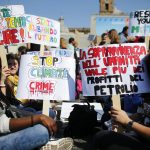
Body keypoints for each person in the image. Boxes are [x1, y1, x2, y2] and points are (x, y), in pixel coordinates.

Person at [0, 57, 73, 150]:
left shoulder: (21, 78)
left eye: (15, 64)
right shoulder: (6, 80)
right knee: (41, 130)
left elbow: (4, 106)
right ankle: (41, 145)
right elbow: (3, 123)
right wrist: (38, 118)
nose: (12, 66)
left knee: (48, 113)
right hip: (15, 113)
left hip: (17, 111)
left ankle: (39, 143)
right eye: (9, 64)